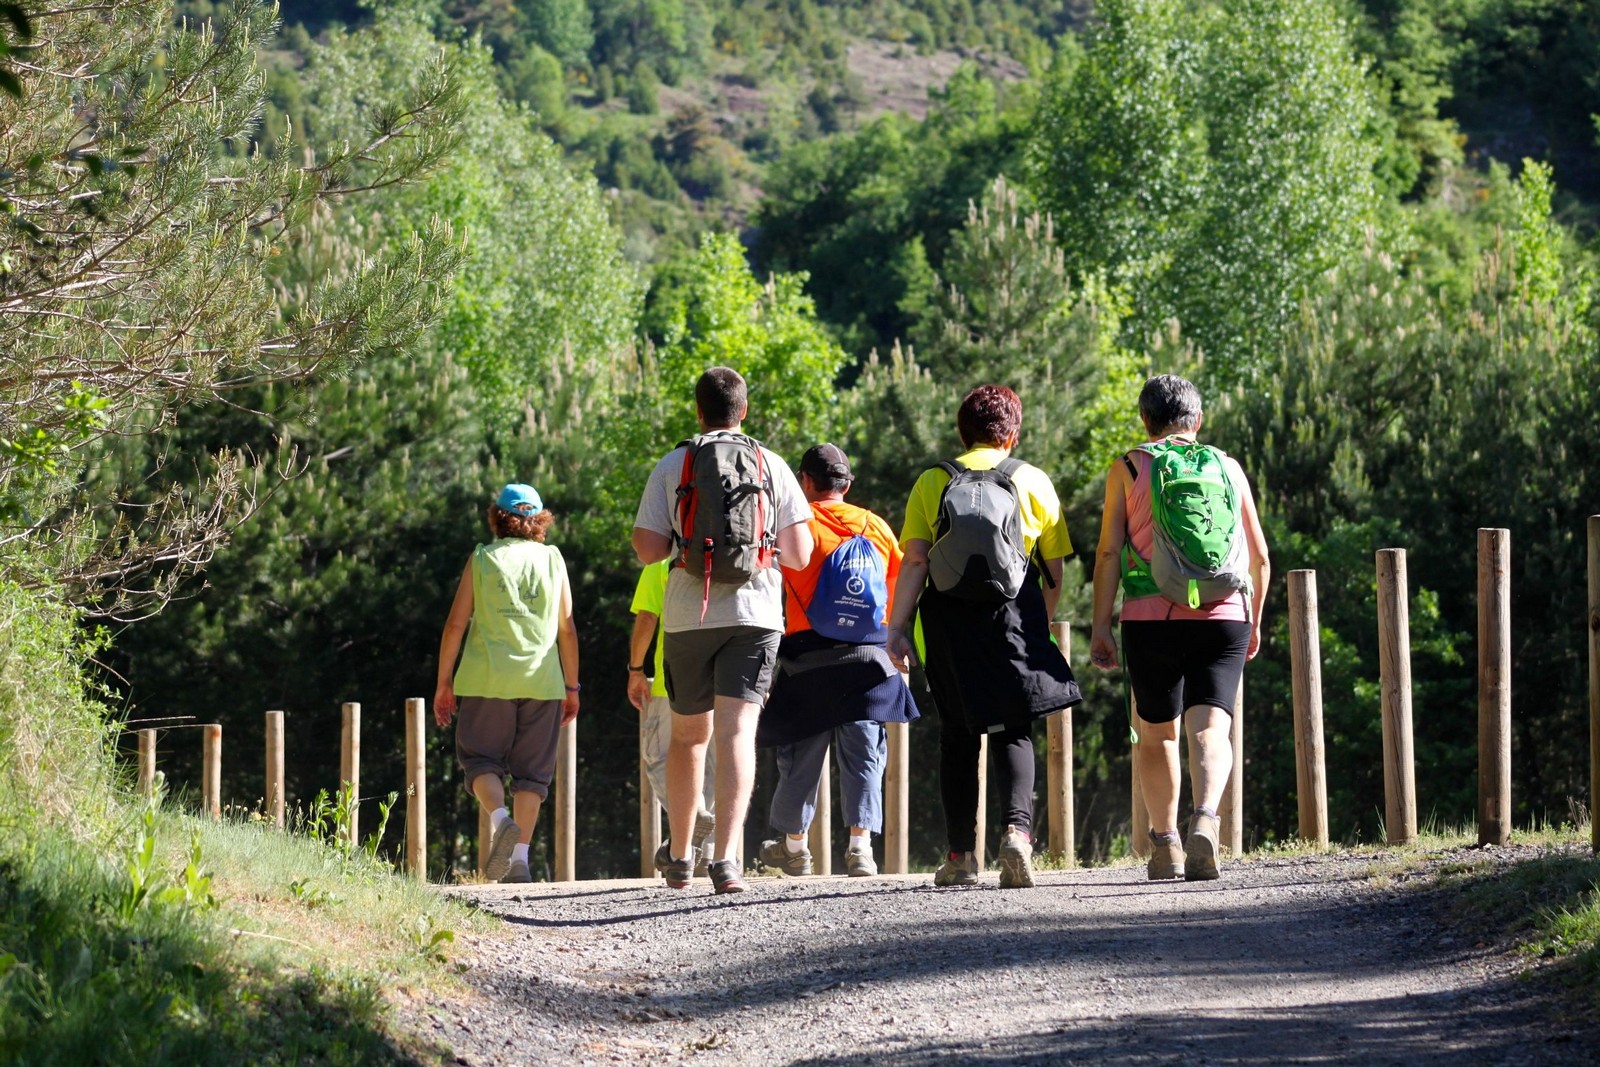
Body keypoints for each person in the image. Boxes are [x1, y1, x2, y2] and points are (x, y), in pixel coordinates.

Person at [885, 385, 1081, 889]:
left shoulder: (933, 480)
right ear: (1012, 433)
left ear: (962, 432)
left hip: (948, 619)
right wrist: (1037, 626)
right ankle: (1017, 835)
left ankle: (960, 856)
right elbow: (1053, 570)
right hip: (1013, 616)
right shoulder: (1033, 479)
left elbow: (915, 561)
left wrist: (897, 628)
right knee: (1014, 728)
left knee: (957, 732)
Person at [632, 367, 814, 894]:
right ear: (744, 410)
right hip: (755, 616)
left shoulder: (675, 463)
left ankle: (680, 854)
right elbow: (800, 555)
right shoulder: (770, 463)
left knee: (689, 737)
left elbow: (647, 550)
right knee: (737, 733)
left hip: (689, 617)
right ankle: (727, 860)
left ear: (698, 411)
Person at [1088, 374, 1270, 881]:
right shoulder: (1228, 467)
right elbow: (1260, 556)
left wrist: (1101, 625)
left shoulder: (1128, 467)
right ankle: (1206, 819)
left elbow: (1108, 552)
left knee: (1157, 733)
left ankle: (1165, 844)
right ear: (1198, 420)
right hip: (1224, 613)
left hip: (1151, 617)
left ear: (1145, 420)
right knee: (1211, 726)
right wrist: (1254, 620)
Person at [755, 444, 919, 878]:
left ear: (805, 481)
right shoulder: (875, 526)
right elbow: (898, 590)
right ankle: (860, 848)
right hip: (868, 658)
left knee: (800, 748)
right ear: (847, 484)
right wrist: (895, 640)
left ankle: (795, 848)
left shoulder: (796, 525)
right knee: (865, 750)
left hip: (807, 658)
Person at [435, 483, 580, 884]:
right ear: (540, 520)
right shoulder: (553, 559)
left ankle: (501, 820)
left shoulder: (482, 558)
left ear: (498, 517)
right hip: (542, 681)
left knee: (480, 760)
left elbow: (454, 625)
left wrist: (444, 682)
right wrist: (572, 687)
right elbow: (567, 630)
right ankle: (520, 863)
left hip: (486, 679)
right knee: (533, 775)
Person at [628, 559, 716, 874]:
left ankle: (694, 812)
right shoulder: (728, 560)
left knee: (660, 759)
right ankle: (704, 855)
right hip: (726, 686)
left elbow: (647, 617)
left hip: (673, 682)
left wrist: (636, 669)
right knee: (712, 767)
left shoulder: (662, 565)